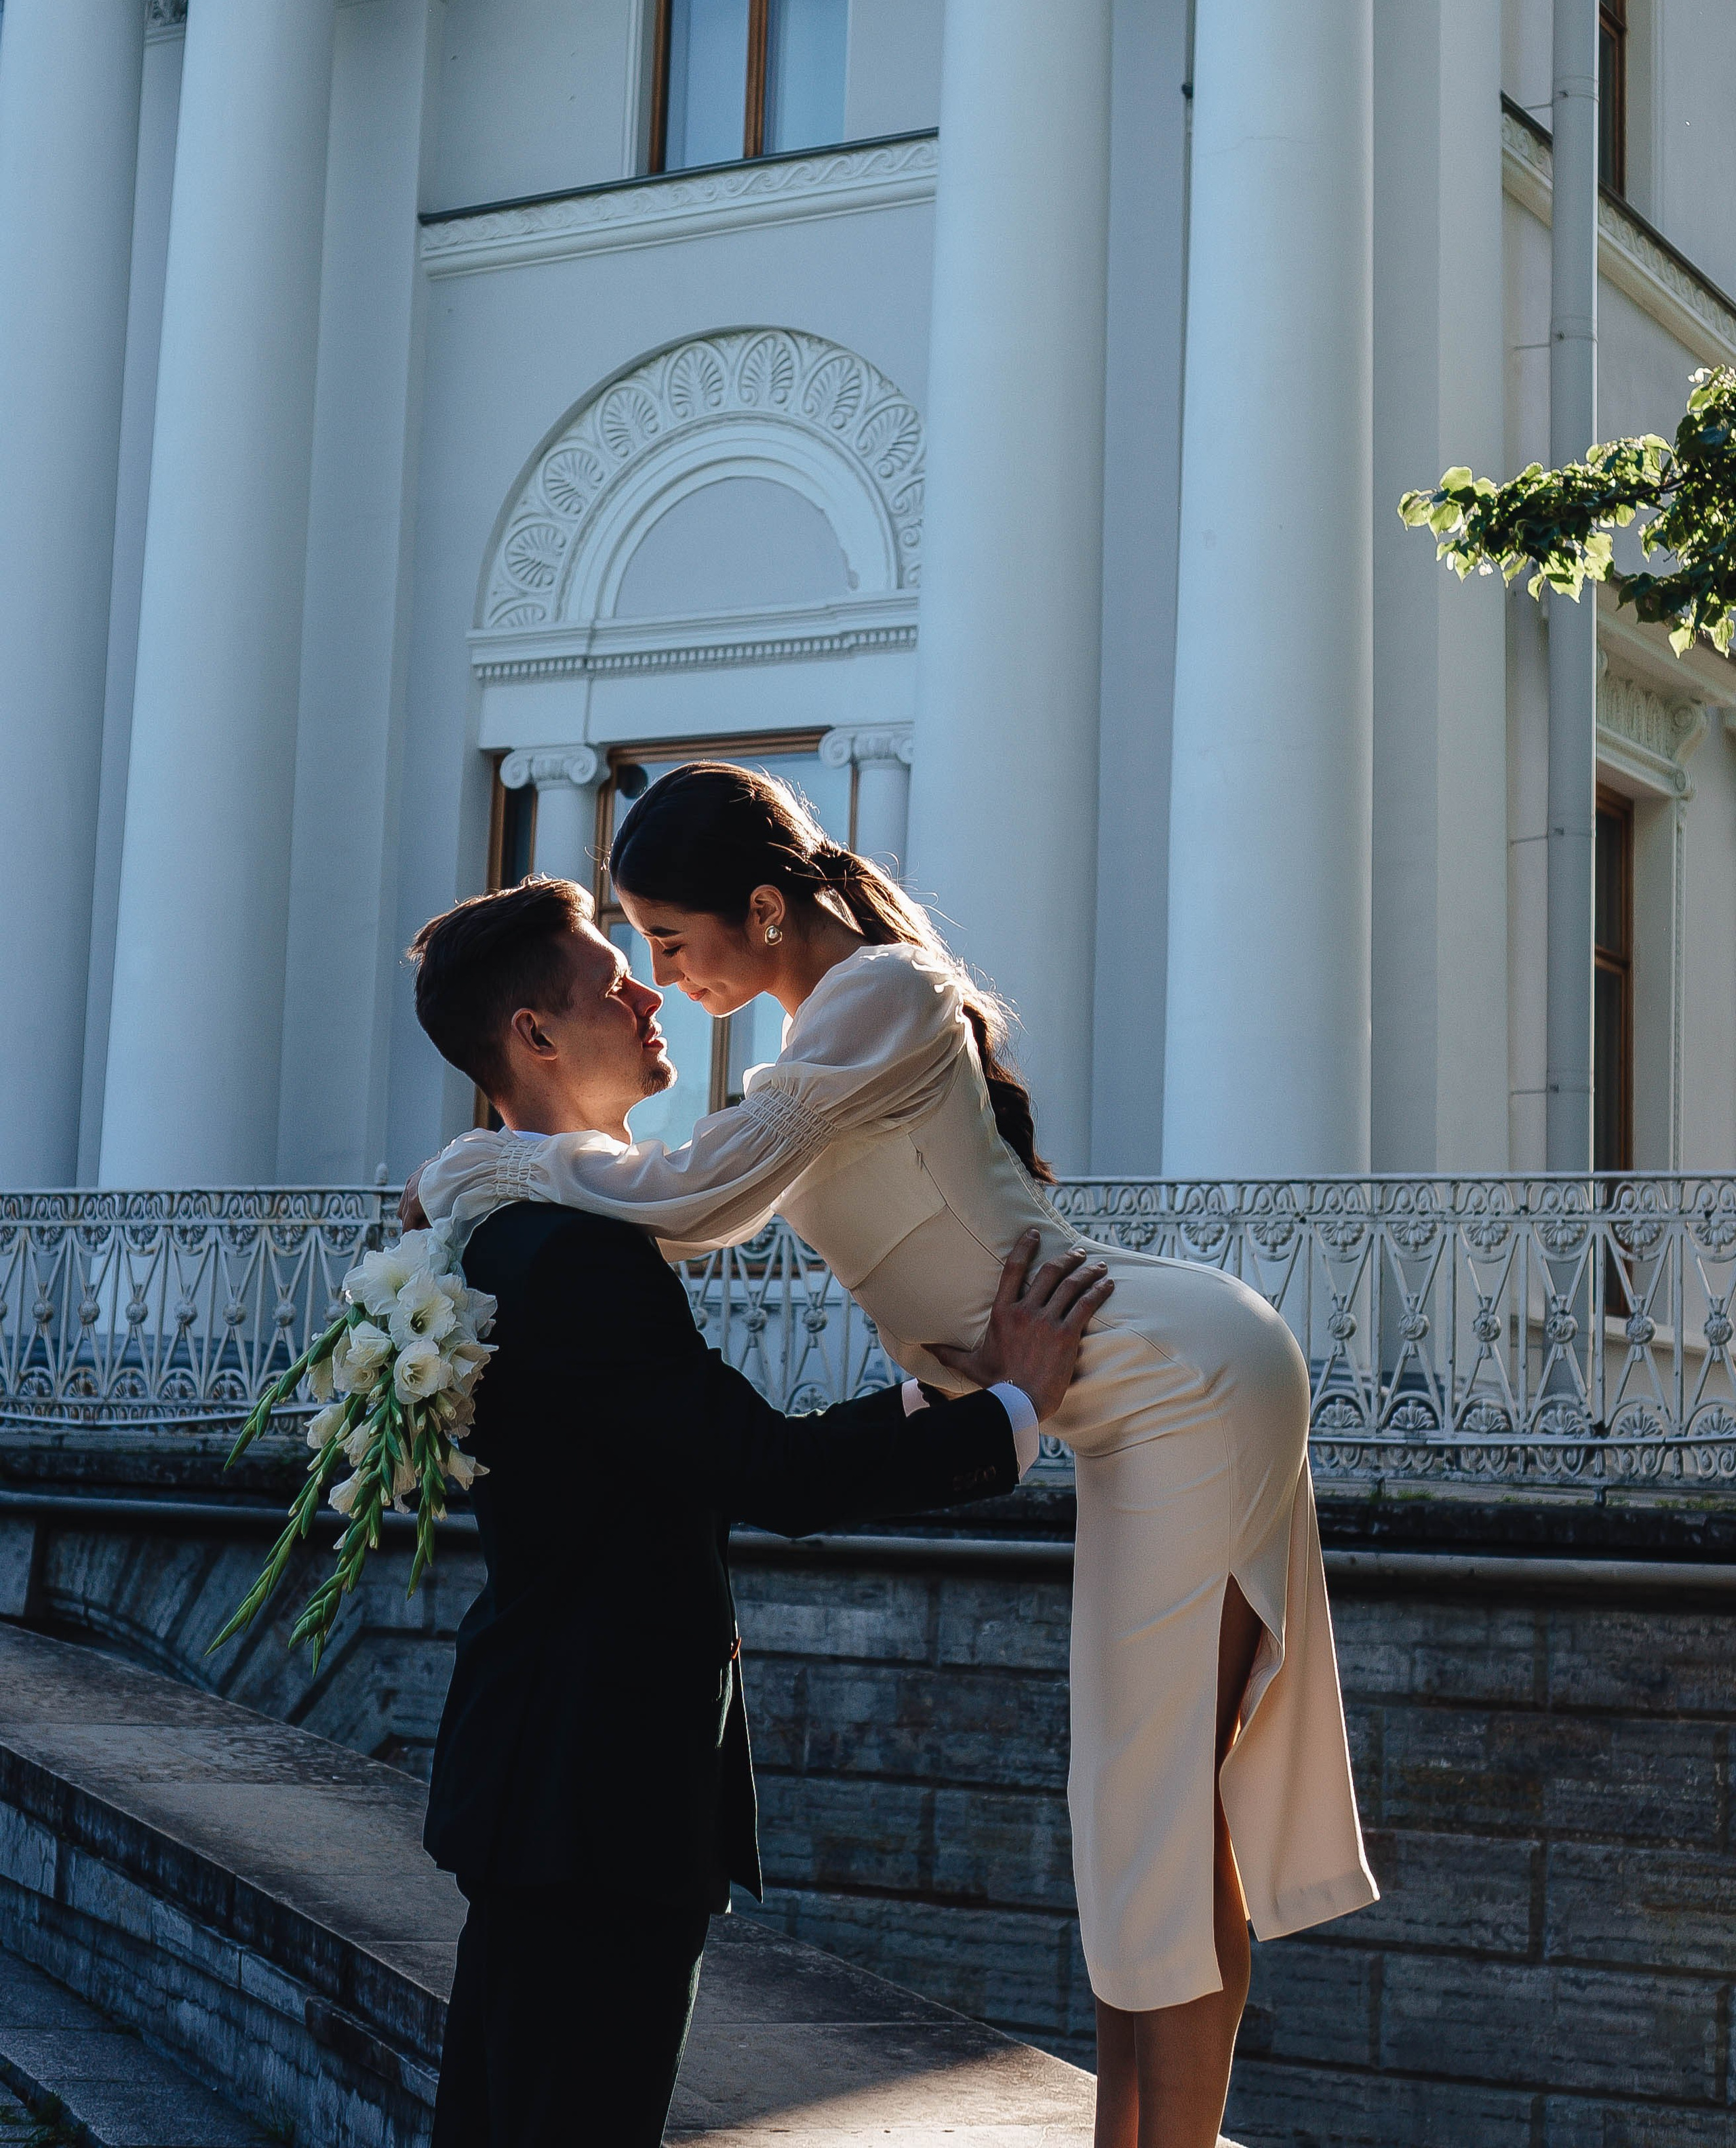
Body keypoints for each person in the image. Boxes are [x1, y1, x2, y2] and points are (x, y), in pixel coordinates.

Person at [416, 763, 1379, 2148]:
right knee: (1130, 1818)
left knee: (1152, 1818)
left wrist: (483, 1168)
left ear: (761, 906)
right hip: (1117, 1390)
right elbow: (701, 1210)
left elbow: (687, 1199)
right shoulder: (817, 1025)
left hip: (1170, 1377)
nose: (664, 978)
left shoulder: (878, 991)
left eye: (673, 943)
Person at [406, 874, 1111, 2148]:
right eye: (612, 979)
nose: (651, 989)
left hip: (551, 1775)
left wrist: (924, 1402)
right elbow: (762, 1474)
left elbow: (686, 1450)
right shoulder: (574, 1254)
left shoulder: (506, 1223)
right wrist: (1007, 1410)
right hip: (598, 1794)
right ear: (537, 1038)